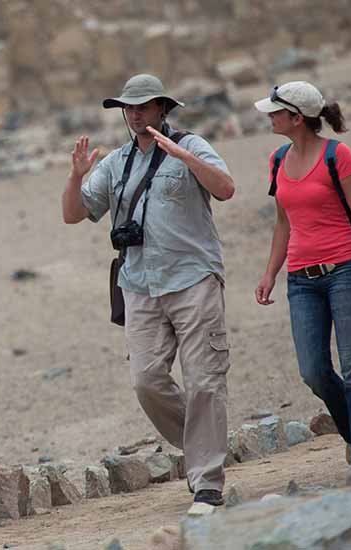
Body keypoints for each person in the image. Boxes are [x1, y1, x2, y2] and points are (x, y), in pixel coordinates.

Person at [62, 74, 236, 510]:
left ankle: (208, 481)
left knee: (204, 379)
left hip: (193, 278)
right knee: (146, 382)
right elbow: (73, 215)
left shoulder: (192, 145)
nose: (135, 113)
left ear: (163, 108)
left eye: (143, 106)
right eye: (128, 106)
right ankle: (204, 446)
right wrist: (75, 176)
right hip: (138, 284)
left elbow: (226, 188)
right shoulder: (116, 162)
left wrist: (180, 154)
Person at [252, 81, 351, 462]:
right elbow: (283, 224)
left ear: (297, 118)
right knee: (314, 371)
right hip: (301, 281)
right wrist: (271, 272)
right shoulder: (277, 160)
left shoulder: (339, 155)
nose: (269, 117)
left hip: (346, 272)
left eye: (275, 111)